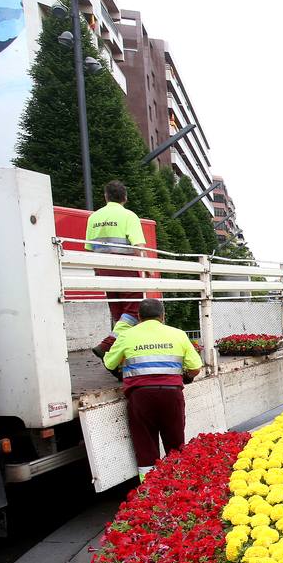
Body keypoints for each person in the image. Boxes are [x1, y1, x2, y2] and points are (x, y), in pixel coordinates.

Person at [102, 298, 201, 481]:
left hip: (140, 397)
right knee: (175, 443)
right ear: (163, 316)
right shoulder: (178, 334)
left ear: (139, 316)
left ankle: (149, 491)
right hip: (172, 395)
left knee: (145, 444)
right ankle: (178, 485)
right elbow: (195, 368)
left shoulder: (127, 335)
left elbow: (109, 362)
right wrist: (186, 378)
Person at [88, 180, 148, 360]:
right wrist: (147, 269)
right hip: (125, 269)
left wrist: (98, 271)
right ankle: (107, 345)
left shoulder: (93, 217)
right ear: (125, 198)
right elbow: (139, 245)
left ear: (106, 197)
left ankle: (117, 360)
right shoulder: (129, 216)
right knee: (133, 311)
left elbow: (89, 249)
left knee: (117, 313)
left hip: (103, 270)